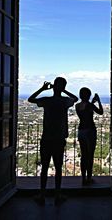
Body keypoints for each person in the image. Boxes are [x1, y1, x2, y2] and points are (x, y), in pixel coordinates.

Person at [28, 77, 78, 205]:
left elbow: (30, 99)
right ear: (63, 87)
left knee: (45, 167)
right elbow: (76, 98)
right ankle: (57, 195)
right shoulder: (65, 101)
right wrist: (64, 91)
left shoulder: (47, 100)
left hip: (47, 138)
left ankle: (42, 195)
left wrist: (43, 89)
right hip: (60, 138)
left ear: (54, 86)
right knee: (58, 167)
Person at [75, 87, 103, 185]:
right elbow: (100, 112)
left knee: (84, 155)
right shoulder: (90, 105)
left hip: (81, 130)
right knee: (90, 155)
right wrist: (98, 101)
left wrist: (92, 102)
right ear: (88, 95)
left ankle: (83, 178)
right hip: (90, 130)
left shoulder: (77, 105)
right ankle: (89, 178)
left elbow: (85, 110)